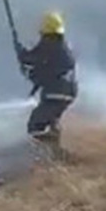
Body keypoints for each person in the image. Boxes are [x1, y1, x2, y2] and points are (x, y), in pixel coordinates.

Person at [18, 10, 78, 148]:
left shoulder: (48, 43)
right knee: (51, 119)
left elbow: (30, 58)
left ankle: (44, 150)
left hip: (55, 93)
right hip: (69, 93)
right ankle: (55, 147)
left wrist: (21, 52)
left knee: (35, 124)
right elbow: (44, 69)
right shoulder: (62, 47)